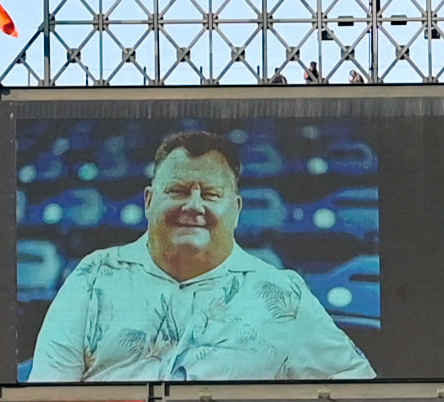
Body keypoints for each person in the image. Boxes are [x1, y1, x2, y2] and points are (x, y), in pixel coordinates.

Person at [25, 130, 375, 384]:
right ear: (148, 201)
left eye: (210, 194)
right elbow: (48, 396)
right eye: (177, 191)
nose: (193, 206)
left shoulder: (282, 293)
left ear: (236, 209)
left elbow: (357, 391)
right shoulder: (95, 276)